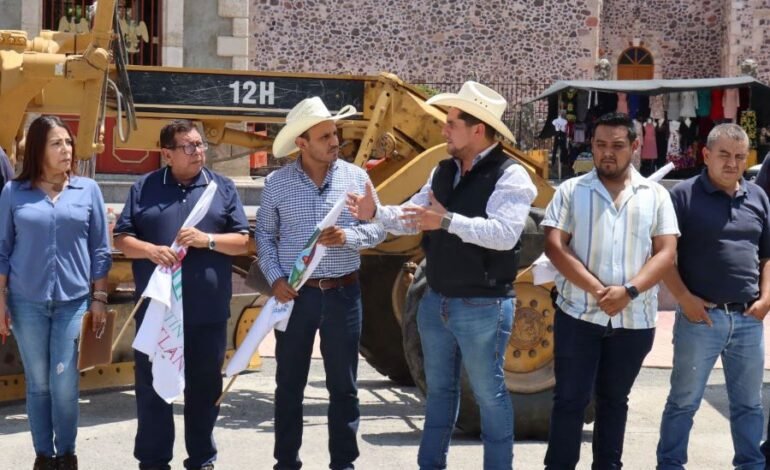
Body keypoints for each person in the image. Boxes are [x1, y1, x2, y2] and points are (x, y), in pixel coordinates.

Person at [347, 81, 537, 470]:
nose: (443, 129)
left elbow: (504, 235)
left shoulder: (512, 176)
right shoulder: (443, 170)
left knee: (489, 395)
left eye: (451, 123)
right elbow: (414, 216)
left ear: (477, 129)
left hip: (483, 304)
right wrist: (376, 213)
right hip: (437, 302)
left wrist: (446, 220)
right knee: (438, 395)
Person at [541, 112, 679, 469]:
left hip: (634, 320)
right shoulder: (571, 191)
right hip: (578, 315)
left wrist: (629, 292)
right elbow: (555, 245)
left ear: (635, 146)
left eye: (617, 146)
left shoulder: (655, 196)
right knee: (569, 400)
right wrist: (600, 290)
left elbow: (666, 253)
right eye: (600, 145)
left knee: (615, 401)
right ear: (592, 145)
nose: (607, 153)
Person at [255, 97, 385, 470]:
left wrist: (349, 237)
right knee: (289, 385)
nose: (335, 141)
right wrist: (276, 279)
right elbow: (264, 235)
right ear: (302, 143)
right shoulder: (277, 184)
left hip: (344, 294)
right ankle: (286, 463)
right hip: (294, 297)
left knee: (344, 387)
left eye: (335, 134)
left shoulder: (356, 178)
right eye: (325, 136)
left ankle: (343, 464)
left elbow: (378, 228)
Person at [113, 119, 249, 470]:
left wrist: (208, 240)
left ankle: (202, 460)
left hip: (207, 312)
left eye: (200, 144)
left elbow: (242, 241)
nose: (198, 151)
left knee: (204, 391)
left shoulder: (221, 187)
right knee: (153, 389)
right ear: (167, 154)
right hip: (158, 312)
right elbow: (122, 239)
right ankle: (153, 461)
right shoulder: (144, 188)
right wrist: (150, 250)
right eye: (188, 146)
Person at [0, 116, 112, 470]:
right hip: (25, 302)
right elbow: (2, 249)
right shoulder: (13, 192)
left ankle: (67, 453)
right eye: (56, 143)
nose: (66, 150)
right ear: (38, 150)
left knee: (64, 382)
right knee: (38, 383)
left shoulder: (88, 190)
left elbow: (100, 249)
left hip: (74, 302)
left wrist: (99, 298)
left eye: (68, 142)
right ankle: (43, 457)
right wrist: (0, 299)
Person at [657, 124, 770, 470]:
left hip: (748, 320)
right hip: (700, 319)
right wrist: (684, 299)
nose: (732, 163)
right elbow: (662, 255)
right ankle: (670, 465)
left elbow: (767, 256)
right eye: (724, 155)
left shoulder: (758, 197)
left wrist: (766, 299)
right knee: (683, 402)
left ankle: (750, 465)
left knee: (749, 405)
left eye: (739, 156)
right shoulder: (683, 196)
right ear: (706, 155)